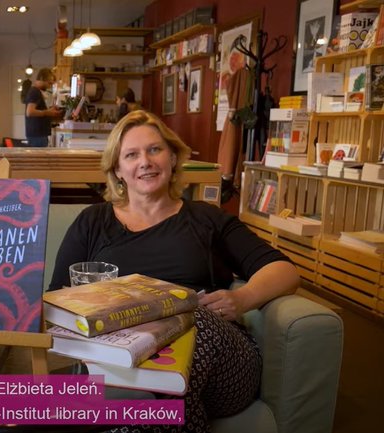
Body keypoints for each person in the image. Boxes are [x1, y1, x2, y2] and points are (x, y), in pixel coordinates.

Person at [49, 110, 299, 432]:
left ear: (172, 157)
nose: (145, 161)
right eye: (131, 155)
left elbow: (284, 270)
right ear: (118, 169)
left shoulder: (207, 218)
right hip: (123, 361)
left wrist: (243, 298)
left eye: (155, 149)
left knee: (192, 317)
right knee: (142, 392)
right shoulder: (92, 221)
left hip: (222, 364)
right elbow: (57, 299)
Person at [24, 67, 62, 147]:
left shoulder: (35, 91)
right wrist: (47, 112)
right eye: (49, 83)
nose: (49, 86)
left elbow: (35, 110)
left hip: (37, 134)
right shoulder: (35, 92)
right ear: (41, 79)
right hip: (37, 135)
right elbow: (30, 112)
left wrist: (50, 110)